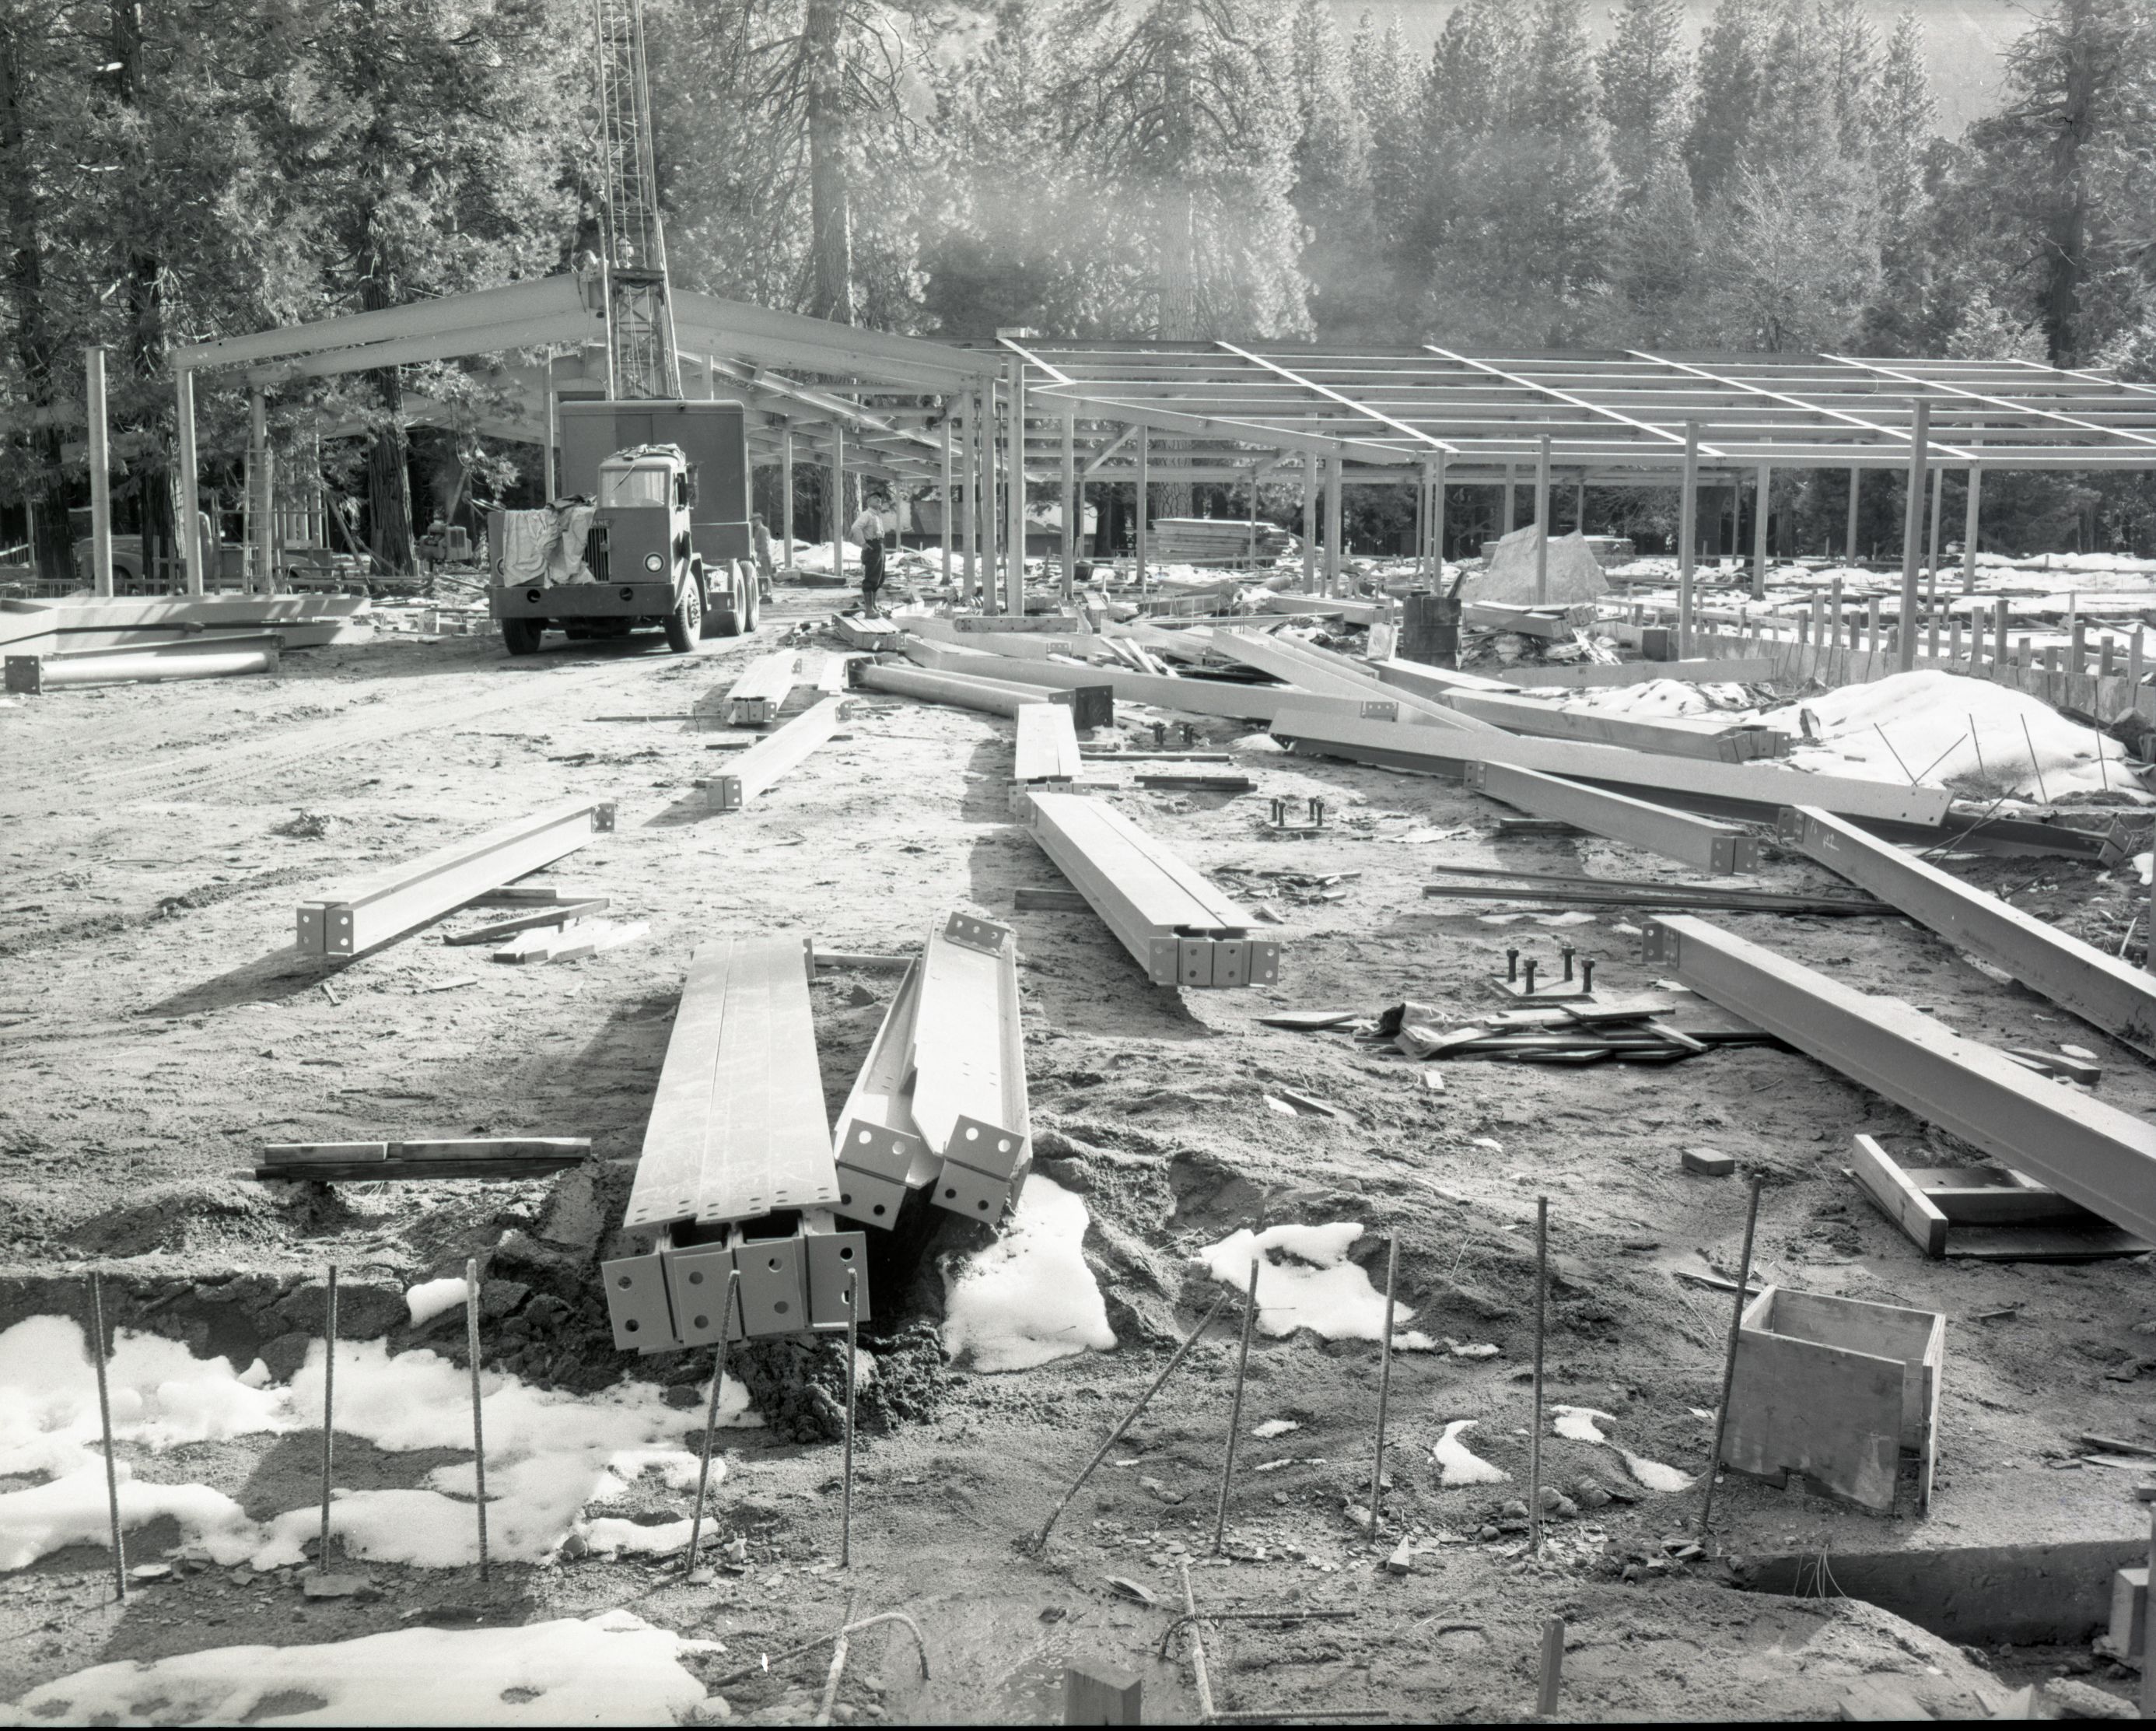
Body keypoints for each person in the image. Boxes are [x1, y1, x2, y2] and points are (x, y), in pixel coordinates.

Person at [849, 492, 891, 617]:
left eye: (879, 498)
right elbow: (855, 528)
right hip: (872, 547)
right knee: (871, 578)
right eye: (874, 498)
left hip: (880, 547)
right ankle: (869, 610)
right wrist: (863, 544)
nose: (878, 500)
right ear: (867, 502)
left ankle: (873, 606)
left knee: (879, 578)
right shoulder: (867, 515)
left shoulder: (877, 516)